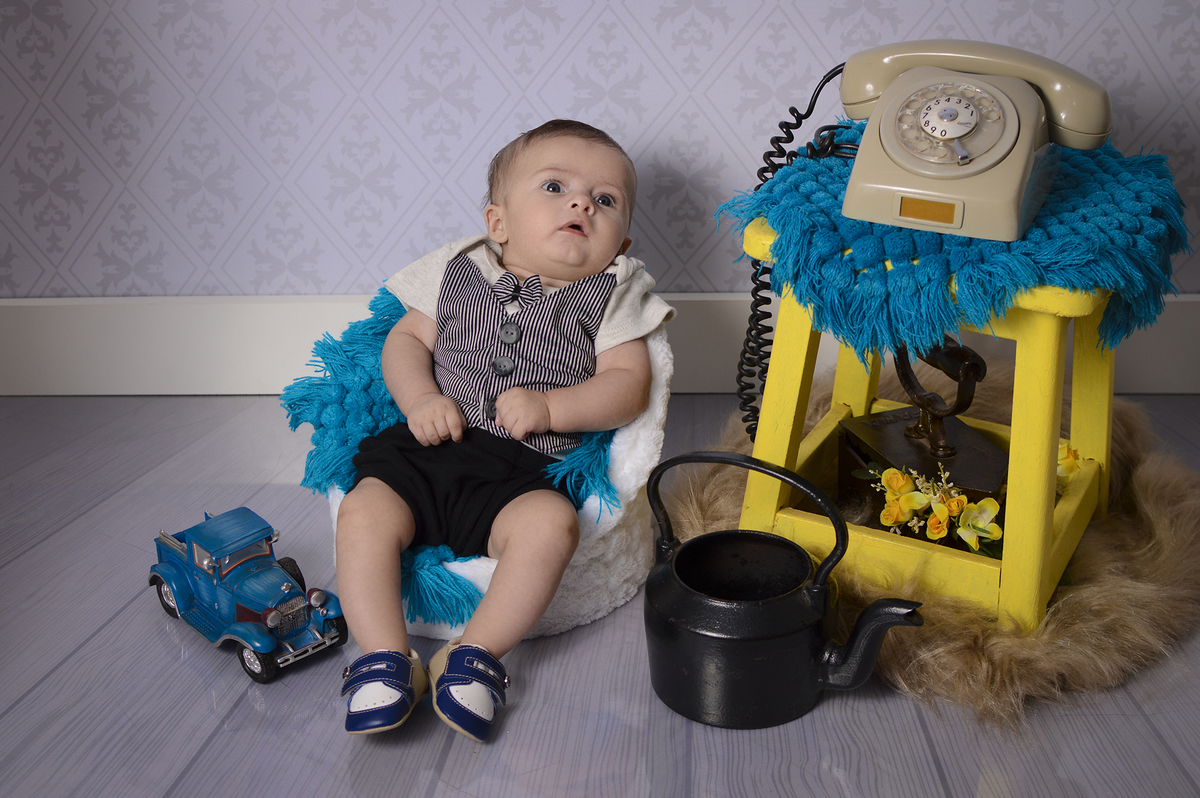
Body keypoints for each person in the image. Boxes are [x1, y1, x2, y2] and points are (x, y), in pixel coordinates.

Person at [335, 120, 675, 740]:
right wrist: (420, 398)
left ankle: (476, 655)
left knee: (552, 526)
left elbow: (630, 386)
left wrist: (553, 410)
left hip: (522, 472)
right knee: (362, 512)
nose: (581, 203)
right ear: (499, 223)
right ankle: (384, 657)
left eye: (604, 200)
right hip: (428, 446)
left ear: (619, 244)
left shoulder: (616, 293)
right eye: (555, 187)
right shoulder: (456, 269)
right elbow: (404, 339)